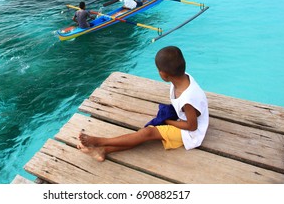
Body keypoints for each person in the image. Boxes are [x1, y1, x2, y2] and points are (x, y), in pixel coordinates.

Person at [77, 46, 209, 162]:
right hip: (184, 120)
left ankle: (100, 142)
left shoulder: (187, 99)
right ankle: (103, 151)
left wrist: (168, 121)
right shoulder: (182, 78)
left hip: (191, 134)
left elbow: (192, 126)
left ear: (163, 74)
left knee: (147, 133)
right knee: (143, 135)